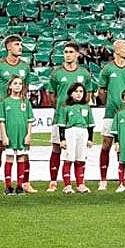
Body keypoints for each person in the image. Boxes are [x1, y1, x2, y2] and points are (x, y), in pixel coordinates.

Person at [44, 41, 93, 192]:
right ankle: (53, 181)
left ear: (77, 54)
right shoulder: (57, 73)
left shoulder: (84, 74)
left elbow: (88, 94)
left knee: (79, 153)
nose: (68, 55)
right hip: (60, 117)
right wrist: (60, 109)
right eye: (65, 52)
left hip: (79, 121)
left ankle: (79, 182)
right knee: (57, 148)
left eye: (71, 52)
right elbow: (51, 95)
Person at [96, 38, 125, 191]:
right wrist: (110, 104)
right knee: (106, 145)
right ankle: (103, 179)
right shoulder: (107, 69)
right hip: (111, 113)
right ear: (117, 50)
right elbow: (101, 91)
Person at [0, 35, 32, 194]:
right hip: (4, 114)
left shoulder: (25, 67)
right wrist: (0, 106)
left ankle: (25, 183)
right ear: (8, 47)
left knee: (24, 149)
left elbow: (25, 87)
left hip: (20, 114)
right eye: (16, 44)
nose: (20, 47)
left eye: (20, 44)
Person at [0, 74, 34, 195]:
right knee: (9, 158)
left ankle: (19, 186)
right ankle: (8, 187)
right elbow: (2, 121)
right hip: (10, 136)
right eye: (15, 83)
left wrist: (28, 135)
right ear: (10, 86)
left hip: (22, 135)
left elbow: (29, 121)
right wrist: (4, 136)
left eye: (20, 84)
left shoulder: (26, 103)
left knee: (21, 157)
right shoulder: (4, 102)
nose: (18, 86)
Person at [57, 82, 94, 194]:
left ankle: (80, 184)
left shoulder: (86, 107)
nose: (79, 94)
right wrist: (62, 139)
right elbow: (62, 125)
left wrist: (90, 139)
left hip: (83, 132)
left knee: (80, 159)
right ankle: (67, 185)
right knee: (68, 159)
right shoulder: (66, 107)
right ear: (70, 93)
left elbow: (90, 125)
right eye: (76, 91)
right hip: (70, 132)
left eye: (81, 91)